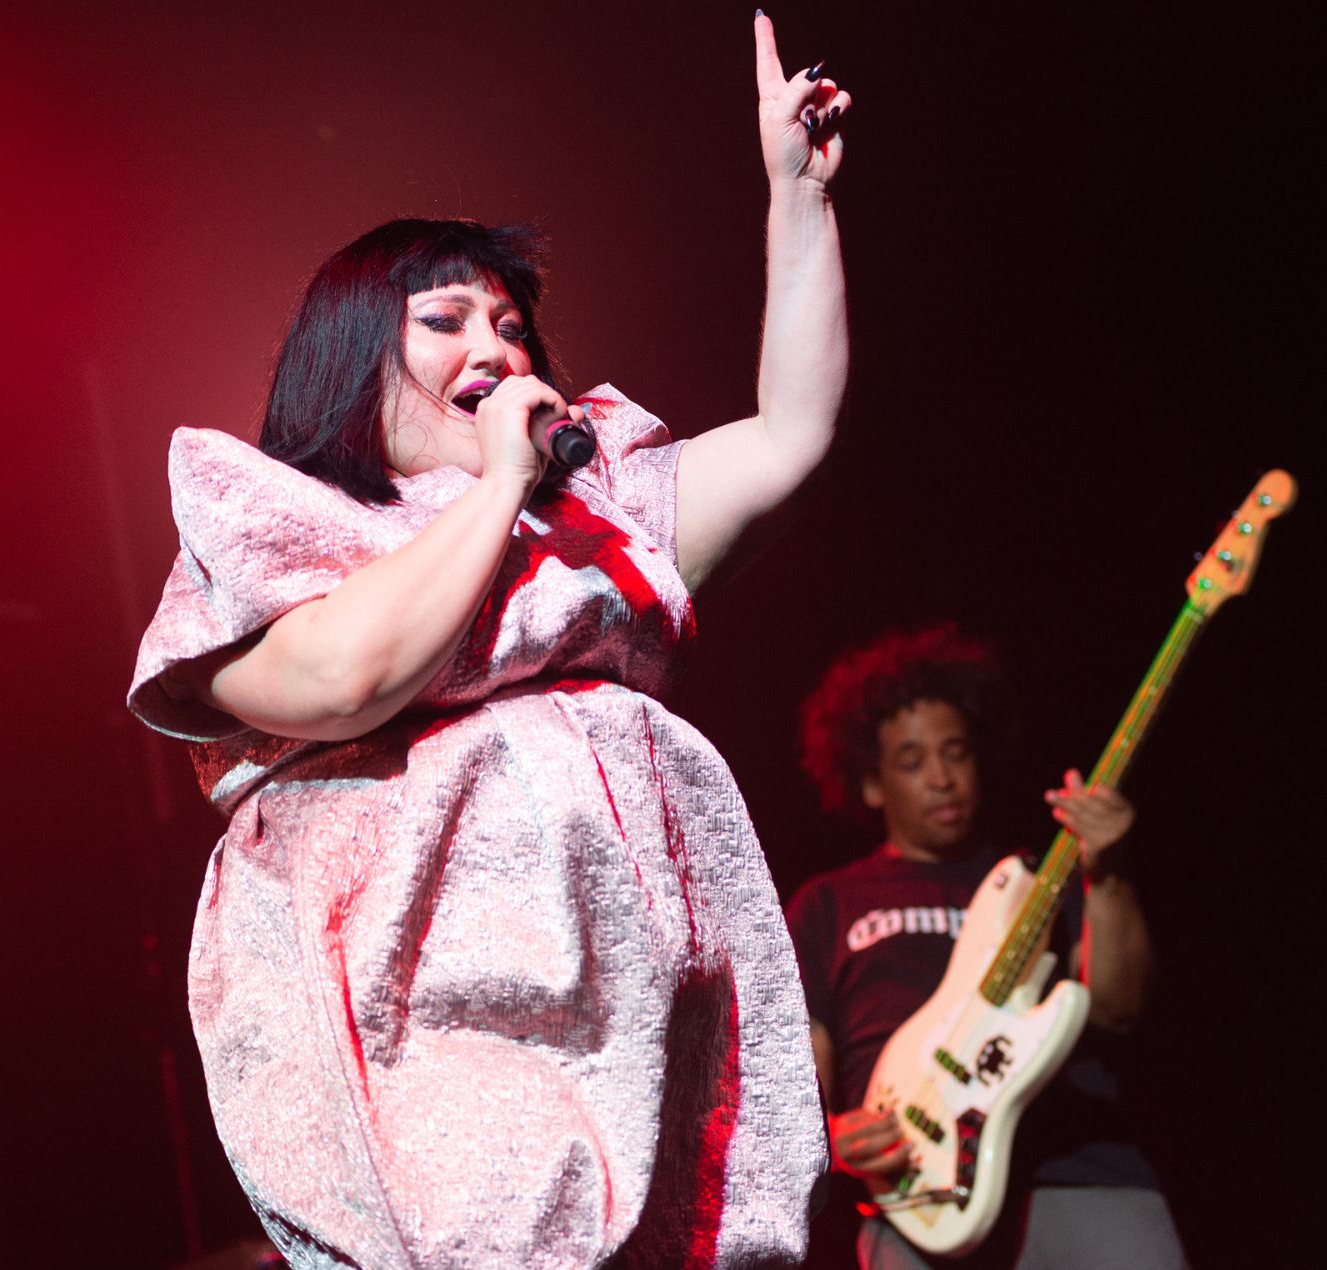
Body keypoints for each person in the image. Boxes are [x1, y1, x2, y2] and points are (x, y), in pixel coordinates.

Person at [126, 15, 850, 1268]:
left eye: (510, 325)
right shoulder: (280, 531)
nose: (497, 348)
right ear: (355, 356)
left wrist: (795, 202)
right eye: (446, 320)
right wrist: (496, 489)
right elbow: (347, 678)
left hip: (650, 1002)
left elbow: (790, 434)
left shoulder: (590, 523)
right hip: (437, 1012)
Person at [784, 625, 1187, 1269]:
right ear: (871, 784)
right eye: (912, 762)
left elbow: (1118, 1009)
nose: (941, 778)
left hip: (1078, 1171)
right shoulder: (827, 903)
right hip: (922, 1191)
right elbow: (797, 1078)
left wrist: (1107, 873)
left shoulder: (1038, 877)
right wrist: (834, 1138)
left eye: (956, 753)